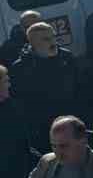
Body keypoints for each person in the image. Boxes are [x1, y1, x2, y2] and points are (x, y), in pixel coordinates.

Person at [10, 22, 86, 155]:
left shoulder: (66, 57)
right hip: (44, 128)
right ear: (32, 42)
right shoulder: (21, 67)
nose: (53, 42)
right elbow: (20, 103)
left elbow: (80, 87)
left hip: (71, 120)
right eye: (46, 39)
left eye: (53, 37)